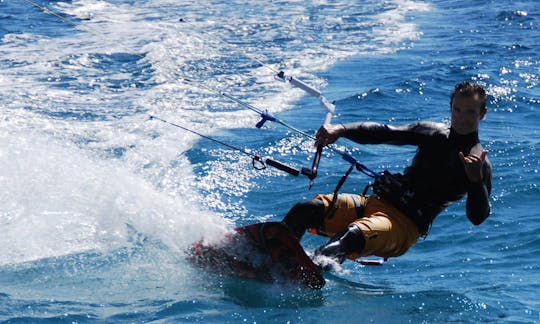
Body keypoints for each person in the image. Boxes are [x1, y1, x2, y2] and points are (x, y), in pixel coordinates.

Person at [282, 81, 492, 264]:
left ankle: (300, 275)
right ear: (451, 107)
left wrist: (475, 180)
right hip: (374, 204)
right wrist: (342, 130)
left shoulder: (479, 163)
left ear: (482, 113)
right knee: (304, 210)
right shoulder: (433, 134)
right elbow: (386, 132)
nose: (462, 118)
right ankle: (271, 257)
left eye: (470, 112)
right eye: (457, 110)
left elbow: (477, 217)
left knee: (348, 238)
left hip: (403, 226)